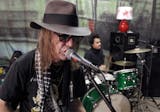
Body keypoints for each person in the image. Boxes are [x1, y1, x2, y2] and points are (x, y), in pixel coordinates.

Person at [0, 0, 90, 112]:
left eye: (74, 37)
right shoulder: (23, 65)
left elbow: (75, 102)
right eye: (64, 36)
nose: (70, 44)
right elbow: (3, 104)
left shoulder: (75, 66)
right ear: (47, 36)